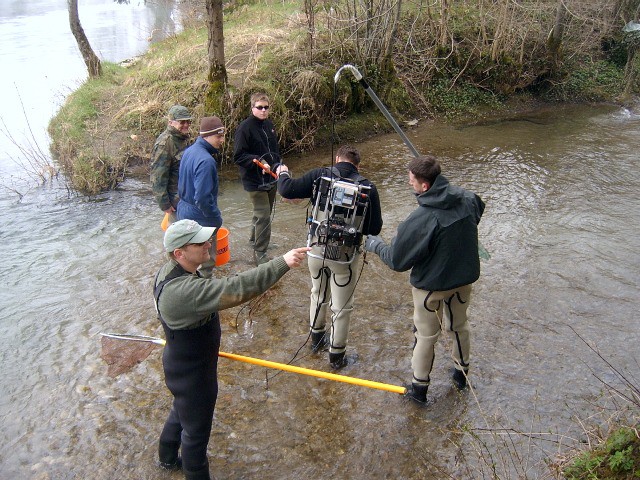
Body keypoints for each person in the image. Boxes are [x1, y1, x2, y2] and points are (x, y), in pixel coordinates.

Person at [155, 219, 309, 480]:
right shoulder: (184, 292)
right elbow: (235, 288)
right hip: (194, 375)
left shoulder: (170, 270)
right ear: (180, 253)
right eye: (200, 243)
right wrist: (282, 262)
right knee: (196, 433)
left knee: (181, 413)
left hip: (182, 366)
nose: (208, 244)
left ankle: (167, 460)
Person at [364, 155, 485, 404]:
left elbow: (397, 261)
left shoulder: (420, 219)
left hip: (431, 289)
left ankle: (419, 390)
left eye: (411, 181)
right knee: (459, 326)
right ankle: (461, 376)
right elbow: (478, 210)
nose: (410, 184)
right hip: (463, 281)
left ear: (425, 186)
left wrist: (375, 245)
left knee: (426, 335)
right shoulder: (467, 197)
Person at [275, 145, 383, 369]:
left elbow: (286, 190)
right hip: (345, 258)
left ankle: (316, 341)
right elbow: (375, 228)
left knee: (317, 293)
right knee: (342, 307)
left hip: (315, 251)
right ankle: (336, 357)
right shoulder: (368, 187)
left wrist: (282, 171)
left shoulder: (319, 176)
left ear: (337, 159)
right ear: (358, 165)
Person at [233, 92, 280, 266]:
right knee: (264, 216)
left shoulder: (269, 125)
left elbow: (274, 151)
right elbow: (238, 156)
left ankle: (254, 240)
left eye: (266, 107)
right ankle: (260, 252)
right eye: (259, 107)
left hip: (272, 178)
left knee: (261, 214)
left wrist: (278, 166)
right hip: (254, 180)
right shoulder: (244, 128)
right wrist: (258, 161)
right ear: (252, 108)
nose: (263, 110)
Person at [177, 116, 225, 278]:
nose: (222, 140)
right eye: (218, 136)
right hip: (200, 217)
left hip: (183, 211)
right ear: (206, 136)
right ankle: (204, 292)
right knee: (206, 260)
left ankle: (187, 285)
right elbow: (203, 199)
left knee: (188, 258)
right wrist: (215, 218)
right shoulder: (206, 161)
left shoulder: (189, 151)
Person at [150, 105, 193, 225]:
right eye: (182, 122)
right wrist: (165, 205)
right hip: (175, 202)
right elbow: (158, 177)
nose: (186, 124)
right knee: (180, 236)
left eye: (188, 121)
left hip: (187, 197)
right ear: (170, 122)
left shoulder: (183, 138)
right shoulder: (165, 144)